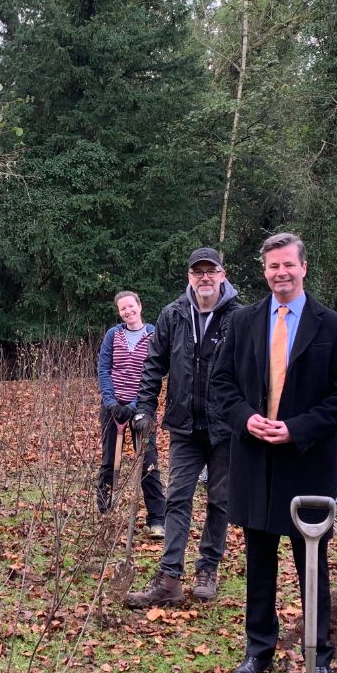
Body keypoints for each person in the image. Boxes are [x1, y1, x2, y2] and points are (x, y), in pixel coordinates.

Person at [209, 232, 337, 673]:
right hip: (255, 458)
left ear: (303, 267)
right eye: (273, 266)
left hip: (306, 461)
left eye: (288, 265)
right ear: (264, 271)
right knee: (259, 561)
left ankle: (318, 658)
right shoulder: (245, 322)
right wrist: (245, 419)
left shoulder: (333, 326)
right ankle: (259, 649)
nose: (281, 273)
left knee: (310, 560)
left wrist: (298, 428)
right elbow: (221, 385)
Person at [127, 248, 242, 607]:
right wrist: (144, 407)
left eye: (211, 271)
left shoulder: (239, 317)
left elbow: (252, 371)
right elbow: (154, 364)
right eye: (198, 272)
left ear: (223, 275)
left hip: (226, 428)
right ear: (189, 276)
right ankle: (169, 577)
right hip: (184, 426)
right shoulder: (173, 314)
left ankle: (207, 569)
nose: (205, 277)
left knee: (220, 501)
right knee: (178, 498)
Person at [96, 291, 165, 536]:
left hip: (142, 409)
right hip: (112, 409)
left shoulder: (154, 334)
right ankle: (106, 514)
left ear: (139, 306)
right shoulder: (113, 335)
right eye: (122, 309)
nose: (127, 311)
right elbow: (103, 368)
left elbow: (155, 373)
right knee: (108, 462)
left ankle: (157, 519)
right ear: (119, 312)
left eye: (130, 306)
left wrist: (137, 405)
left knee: (148, 463)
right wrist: (111, 401)